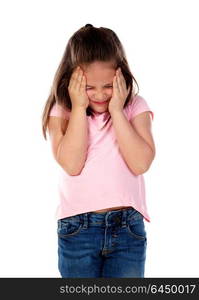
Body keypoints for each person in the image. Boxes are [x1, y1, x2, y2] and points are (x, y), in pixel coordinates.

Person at [41, 24, 156, 278]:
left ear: (121, 76)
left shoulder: (135, 107)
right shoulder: (63, 111)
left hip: (127, 229)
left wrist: (117, 111)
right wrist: (79, 108)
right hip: (77, 231)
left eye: (108, 85)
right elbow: (71, 164)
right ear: (71, 81)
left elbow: (140, 163)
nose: (101, 95)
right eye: (89, 87)